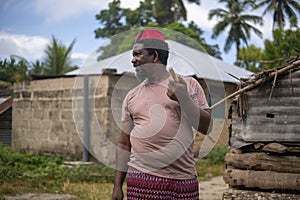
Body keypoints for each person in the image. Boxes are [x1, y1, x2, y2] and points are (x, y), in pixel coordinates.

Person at [112, 29, 212, 200]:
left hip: (183, 180)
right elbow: (124, 144)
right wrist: (117, 186)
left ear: (155, 56)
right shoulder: (132, 96)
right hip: (142, 179)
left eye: (138, 54)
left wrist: (183, 97)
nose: (133, 60)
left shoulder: (187, 84)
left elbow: (207, 127)